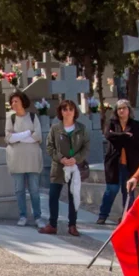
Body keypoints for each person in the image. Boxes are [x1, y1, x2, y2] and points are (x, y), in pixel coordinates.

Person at [40, 99, 88, 236]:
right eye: (65, 109)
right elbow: (50, 147)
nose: (68, 112)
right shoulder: (55, 128)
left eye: (70, 109)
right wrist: (61, 158)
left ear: (75, 112)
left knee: (73, 195)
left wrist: (76, 159)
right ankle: (52, 224)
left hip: (75, 167)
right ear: (61, 112)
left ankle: (72, 225)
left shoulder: (81, 128)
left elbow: (86, 147)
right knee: (53, 195)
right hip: (58, 167)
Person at [98, 99, 139, 224]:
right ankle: (103, 215)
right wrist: (125, 135)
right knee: (111, 189)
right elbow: (108, 136)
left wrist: (117, 135)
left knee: (128, 190)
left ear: (129, 110)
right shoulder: (111, 123)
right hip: (114, 163)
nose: (122, 110)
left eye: (124, 108)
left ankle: (126, 217)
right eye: (119, 108)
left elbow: (135, 139)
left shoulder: (135, 124)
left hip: (130, 162)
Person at [5, 91, 43, 227]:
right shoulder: (11, 118)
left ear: (23, 102)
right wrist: (28, 133)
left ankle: (38, 217)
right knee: (19, 190)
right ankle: (22, 215)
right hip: (16, 160)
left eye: (16, 101)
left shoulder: (33, 117)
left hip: (32, 159)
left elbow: (38, 136)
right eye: (12, 102)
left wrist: (19, 137)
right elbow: (9, 138)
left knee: (34, 190)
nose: (14, 104)